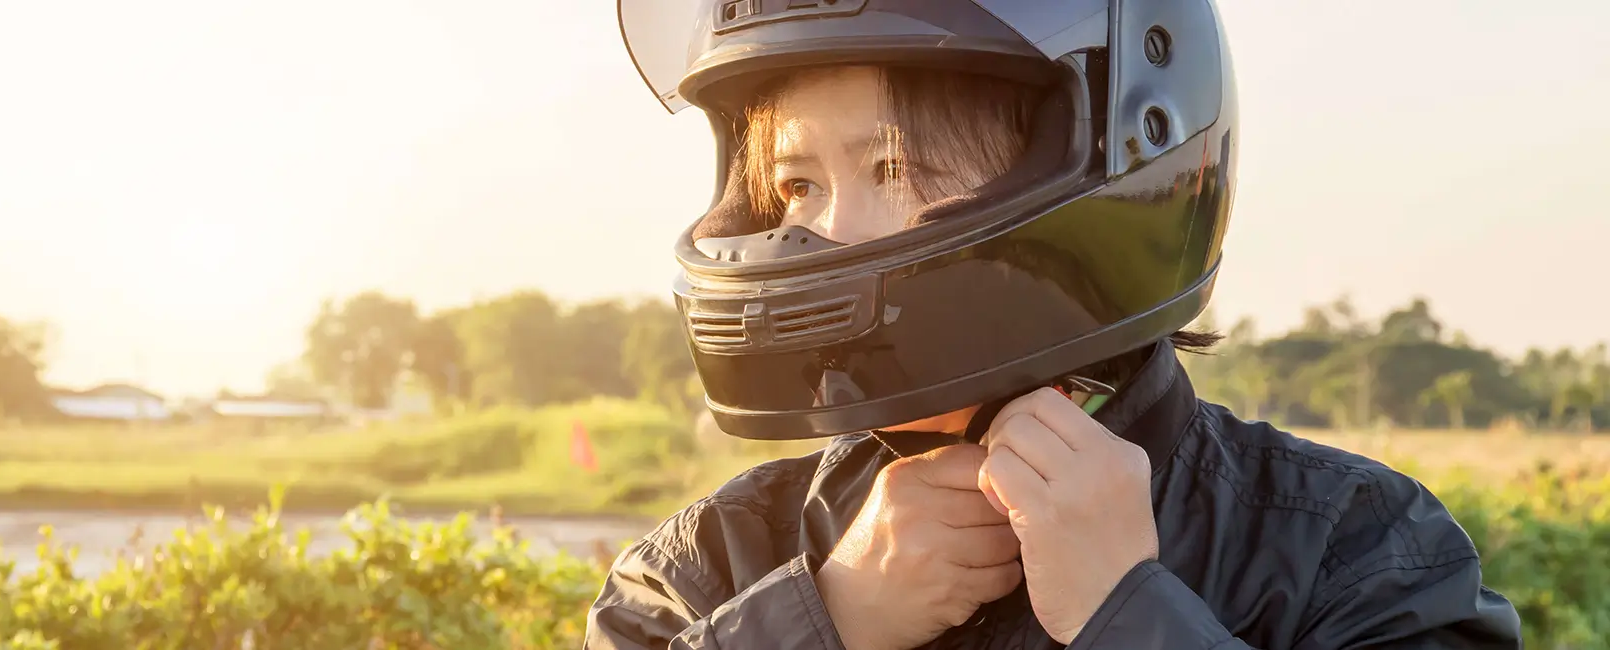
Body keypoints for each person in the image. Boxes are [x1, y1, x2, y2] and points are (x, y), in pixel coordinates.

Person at [587, 0, 1522, 648]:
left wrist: (1127, 612)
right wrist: (828, 620)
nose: (822, 232)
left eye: (894, 169)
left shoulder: (1354, 551)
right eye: (796, 184)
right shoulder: (705, 570)